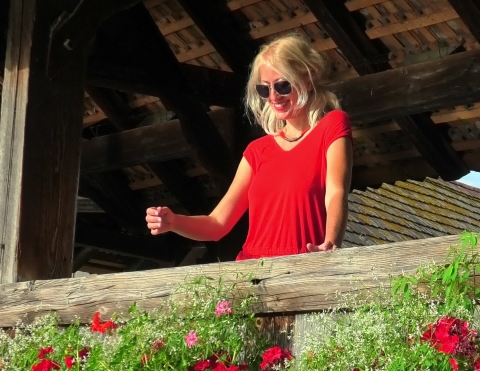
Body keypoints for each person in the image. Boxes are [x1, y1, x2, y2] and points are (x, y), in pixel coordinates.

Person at [145, 34, 354, 261]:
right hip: (252, 272)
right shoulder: (257, 151)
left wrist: (330, 244)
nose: (273, 96)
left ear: (309, 77)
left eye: (282, 85)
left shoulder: (332, 125)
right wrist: (174, 222)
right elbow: (217, 224)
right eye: (264, 89)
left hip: (305, 265)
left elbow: (336, 192)